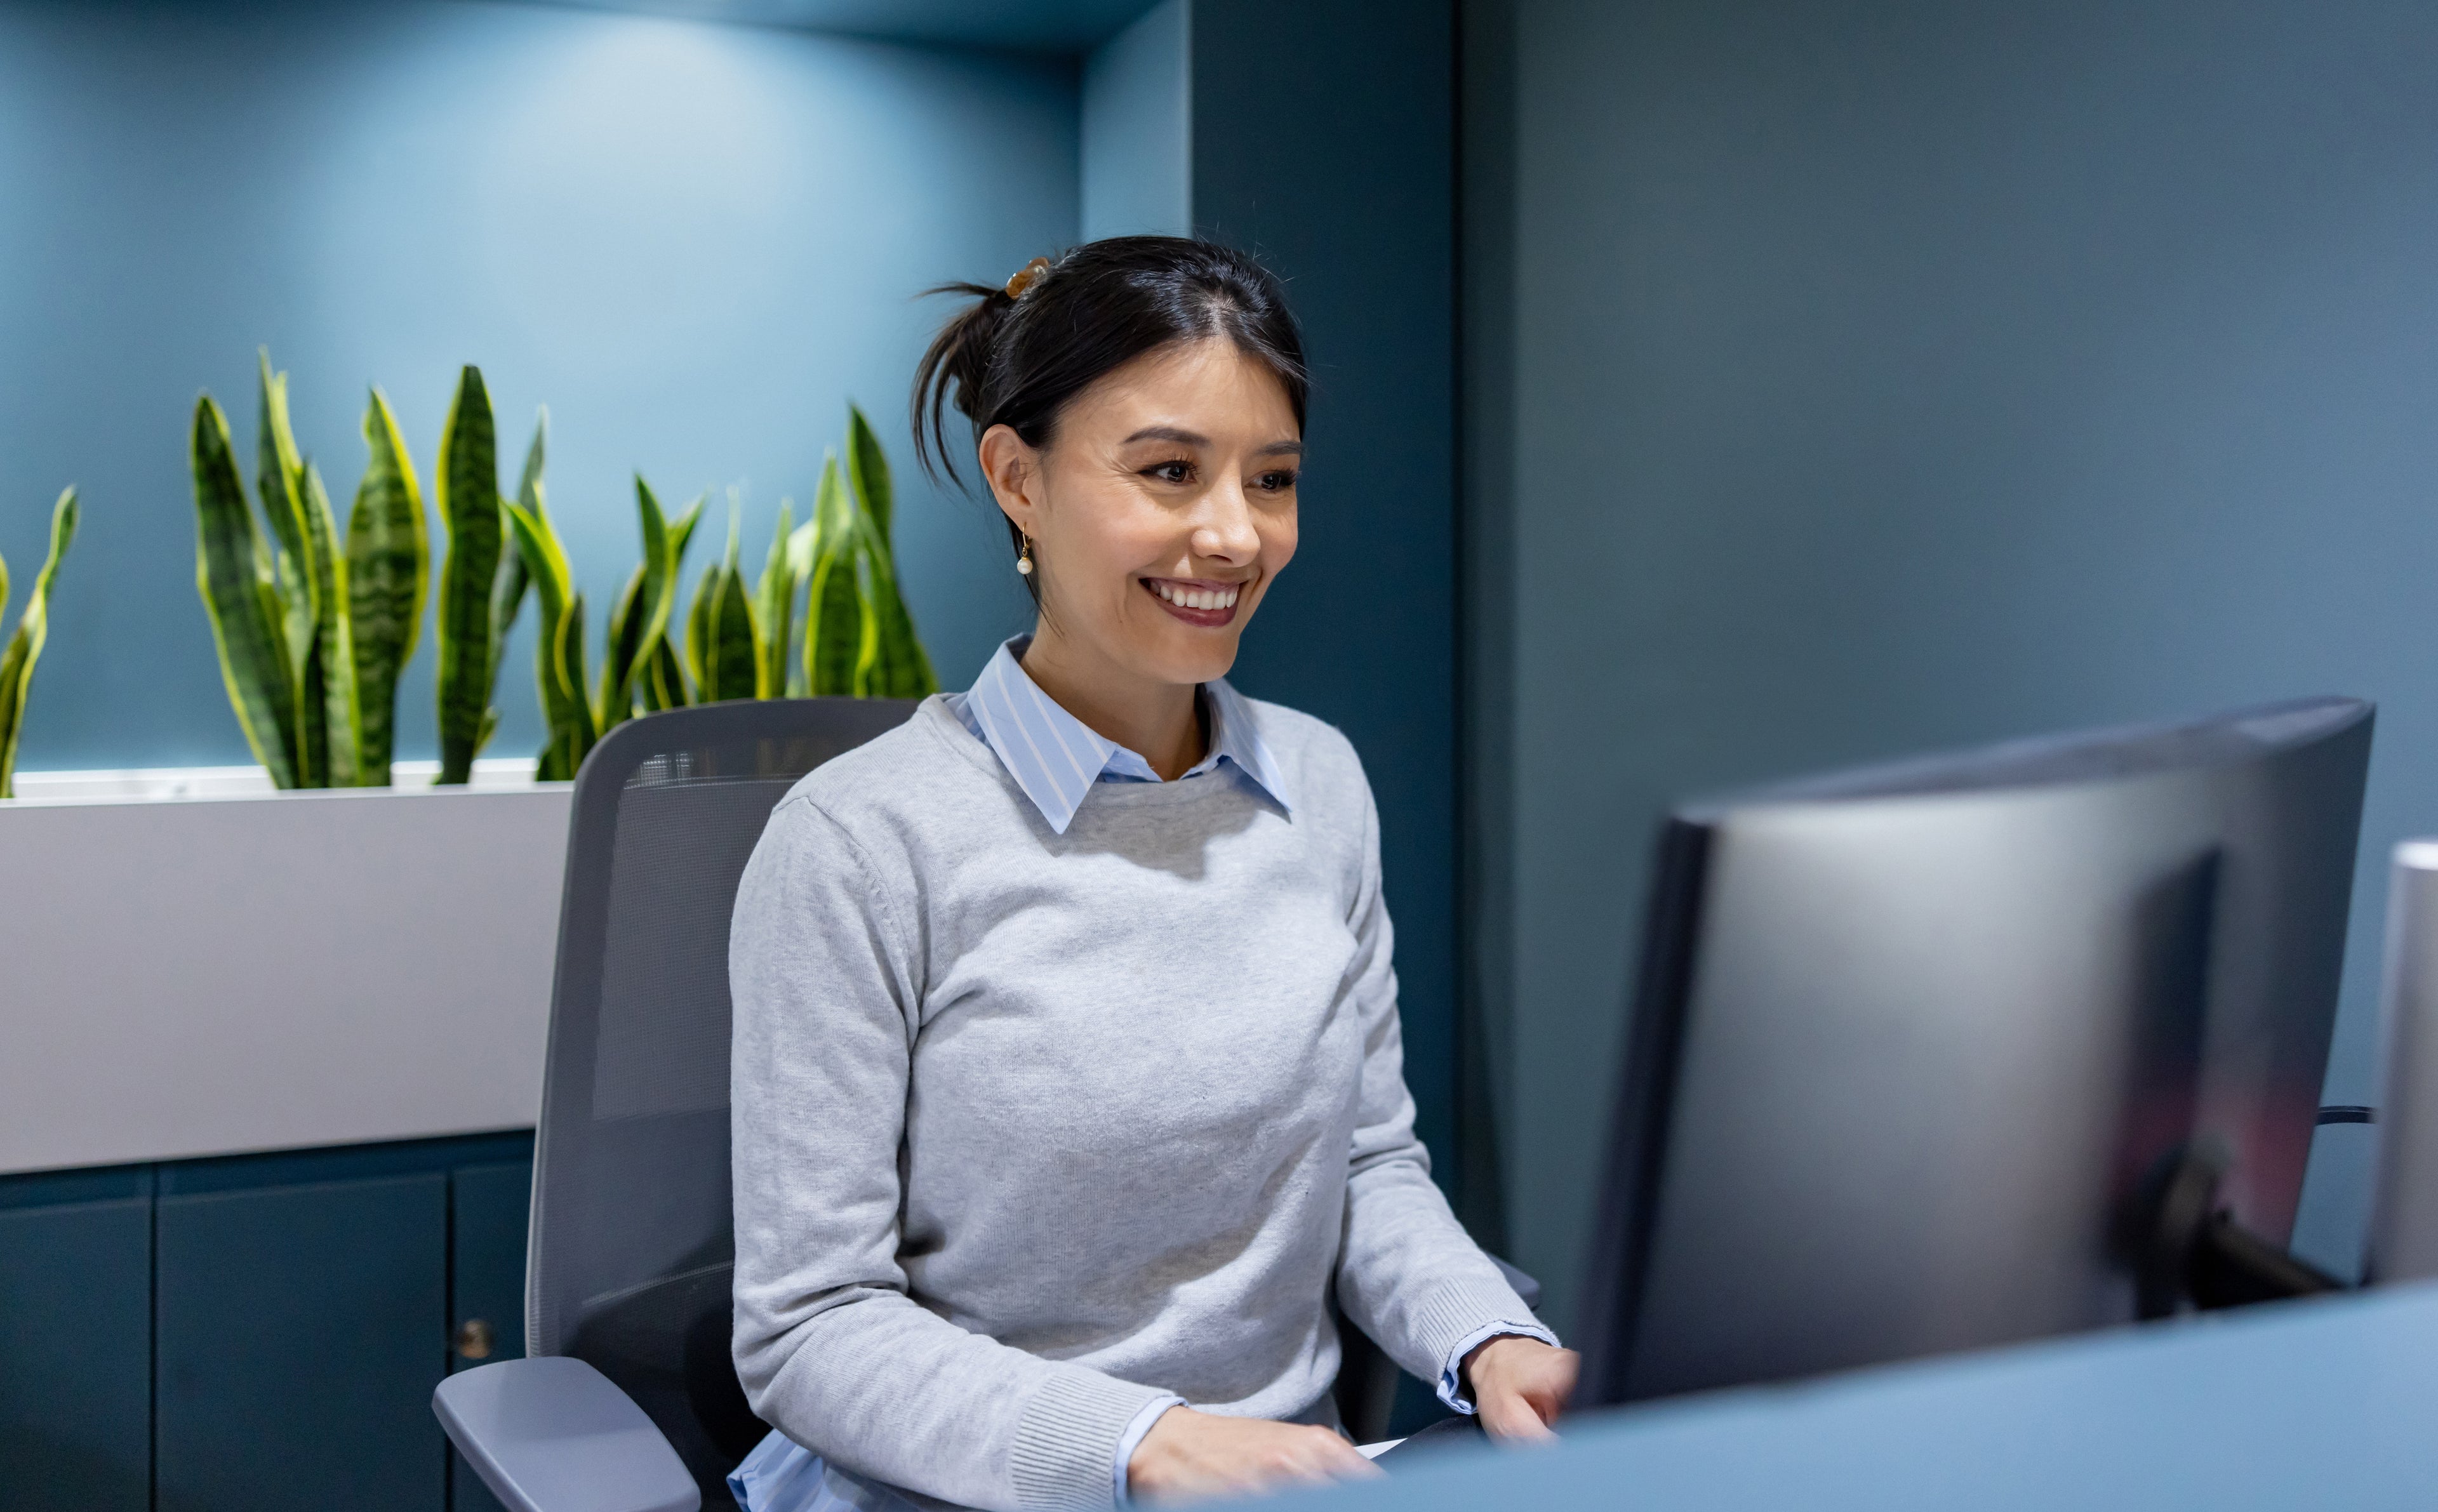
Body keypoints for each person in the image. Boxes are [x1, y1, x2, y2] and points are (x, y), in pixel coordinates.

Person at [728, 236, 1576, 1512]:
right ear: (1019, 477)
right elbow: (811, 1327)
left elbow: (1366, 1166)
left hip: (1294, 1483)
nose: (1234, 534)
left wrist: (1487, 1339)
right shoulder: (859, 840)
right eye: (1169, 471)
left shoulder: (1319, 784)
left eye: (1273, 480)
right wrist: (1146, 1444)